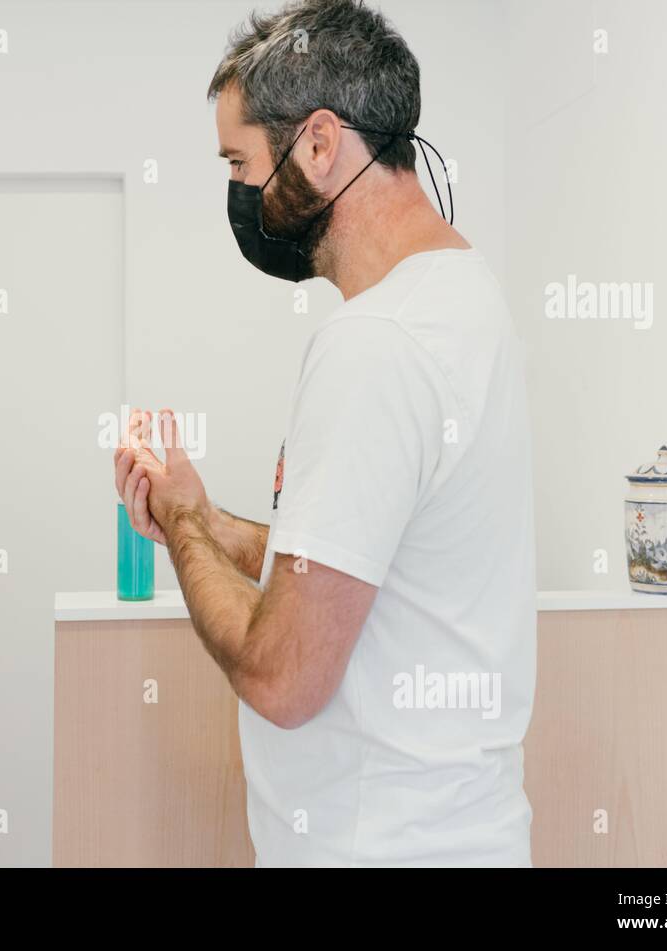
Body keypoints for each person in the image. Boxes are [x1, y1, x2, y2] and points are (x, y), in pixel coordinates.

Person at [114, 0, 536, 866]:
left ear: (317, 144)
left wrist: (186, 536)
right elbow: (370, 561)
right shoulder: (463, 297)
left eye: (240, 162)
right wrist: (207, 515)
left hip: (379, 846)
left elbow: (284, 676)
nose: (238, 193)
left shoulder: (375, 344)